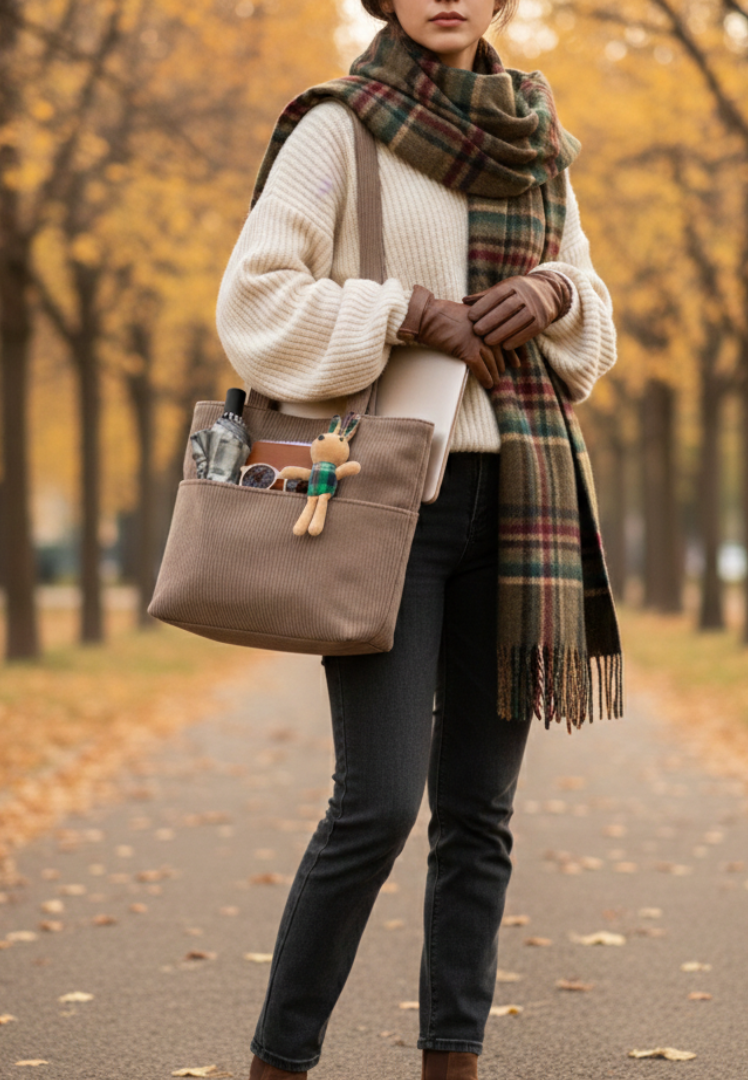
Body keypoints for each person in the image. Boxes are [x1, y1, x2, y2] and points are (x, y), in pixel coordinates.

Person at [215, 2, 622, 1077]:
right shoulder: (338, 127)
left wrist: (555, 291)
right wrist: (401, 312)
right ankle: (280, 1063)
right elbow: (255, 301)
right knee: (378, 806)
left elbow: (589, 314)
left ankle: (454, 1063)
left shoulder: (538, 138)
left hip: (522, 496)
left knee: (480, 815)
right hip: (384, 498)